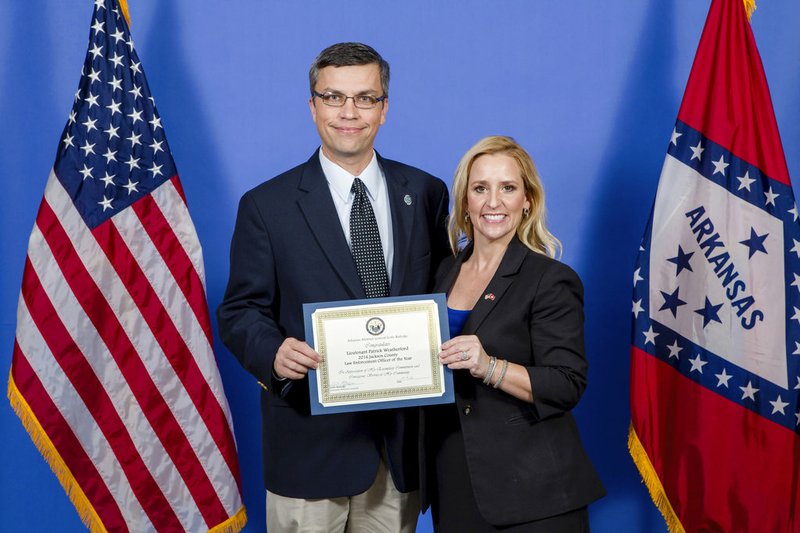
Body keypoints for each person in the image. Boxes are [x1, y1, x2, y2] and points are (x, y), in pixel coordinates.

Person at [217, 42, 450, 532]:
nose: (349, 112)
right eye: (333, 97)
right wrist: (274, 353)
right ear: (313, 106)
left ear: (384, 109)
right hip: (308, 444)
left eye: (365, 98)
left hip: (398, 450)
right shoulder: (267, 205)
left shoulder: (425, 193)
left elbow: (444, 295)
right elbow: (240, 310)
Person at [422, 136, 605, 532]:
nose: (493, 201)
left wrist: (488, 366)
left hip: (534, 494)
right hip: (454, 483)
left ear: (527, 200)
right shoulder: (441, 273)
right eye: (480, 188)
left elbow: (566, 384)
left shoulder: (550, 280)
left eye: (508, 188)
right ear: (465, 201)